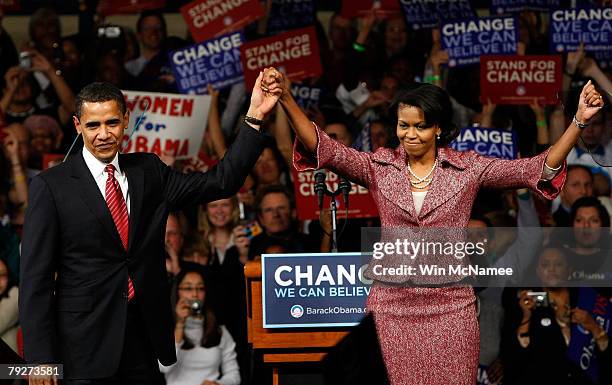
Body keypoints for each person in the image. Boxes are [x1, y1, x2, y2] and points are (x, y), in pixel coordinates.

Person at [264, 67, 604, 384]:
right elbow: (323, 146)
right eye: (403, 125)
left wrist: (577, 121)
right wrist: (286, 98)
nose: (409, 135)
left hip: (450, 309)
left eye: (419, 126)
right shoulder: (378, 166)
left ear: (438, 127)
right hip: (392, 309)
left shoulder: (468, 169)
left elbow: (536, 168)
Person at [19, 74, 280, 384]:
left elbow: (220, 181)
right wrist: (39, 359)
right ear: (78, 125)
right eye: (93, 125)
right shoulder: (52, 185)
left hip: (142, 341)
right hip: (82, 348)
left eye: (112, 123)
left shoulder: (149, 171)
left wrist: (254, 117)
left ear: (127, 119)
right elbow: (35, 278)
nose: (103, 134)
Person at [160, 268, 240, 385]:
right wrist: (180, 324)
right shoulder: (166, 329)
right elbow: (164, 368)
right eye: (188, 288)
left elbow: (234, 376)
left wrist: (217, 384)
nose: (195, 294)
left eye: (200, 288)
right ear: (177, 292)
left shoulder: (220, 331)